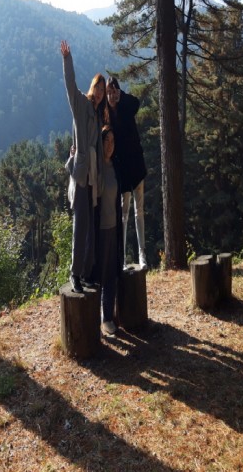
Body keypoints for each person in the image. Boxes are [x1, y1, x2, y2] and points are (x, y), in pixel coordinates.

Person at [61, 40, 105, 293]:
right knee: (80, 229)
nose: (99, 92)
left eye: (102, 90)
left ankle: (87, 274)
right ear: (92, 87)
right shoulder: (81, 105)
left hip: (92, 178)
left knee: (89, 229)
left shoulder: (98, 115)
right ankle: (75, 274)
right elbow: (70, 86)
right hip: (80, 176)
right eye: (97, 87)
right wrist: (67, 60)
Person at [105, 76, 147, 269]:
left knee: (139, 212)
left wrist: (122, 96)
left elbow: (136, 103)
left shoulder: (126, 107)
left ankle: (142, 255)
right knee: (124, 213)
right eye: (108, 92)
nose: (111, 96)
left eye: (114, 91)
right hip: (122, 171)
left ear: (118, 91)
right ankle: (121, 258)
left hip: (136, 167)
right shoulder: (107, 116)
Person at [97, 125, 124, 335]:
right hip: (100, 229)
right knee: (100, 275)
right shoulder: (97, 167)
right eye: (106, 140)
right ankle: (96, 319)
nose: (109, 145)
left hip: (114, 227)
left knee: (111, 275)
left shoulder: (115, 166)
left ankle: (107, 317)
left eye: (113, 141)